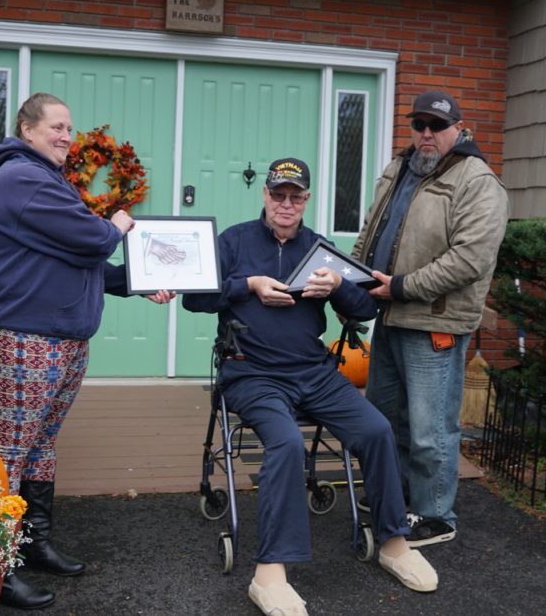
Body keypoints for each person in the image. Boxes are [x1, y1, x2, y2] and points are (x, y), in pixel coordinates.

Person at [184, 158, 438, 616]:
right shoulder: (234, 241)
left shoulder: (320, 249)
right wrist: (249, 285)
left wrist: (338, 284)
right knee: (286, 443)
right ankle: (269, 574)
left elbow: (365, 310)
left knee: (377, 430)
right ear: (265, 195)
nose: (286, 203)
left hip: (315, 373)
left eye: (295, 196)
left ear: (306, 200)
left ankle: (394, 544)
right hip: (252, 373)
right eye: (278, 194)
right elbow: (194, 297)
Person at [0, 92, 173, 610]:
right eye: (56, 126)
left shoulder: (48, 180)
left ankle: (33, 544)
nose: (66, 136)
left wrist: (138, 283)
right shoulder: (21, 178)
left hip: (61, 338)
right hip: (23, 337)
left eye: (69, 128)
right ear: (27, 129)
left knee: (41, 445)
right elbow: (92, 239)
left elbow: (79, 260)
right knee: (11, 451)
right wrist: (118, 225)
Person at [351, 90, 508, 546]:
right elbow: (371, 230)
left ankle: (436, 515)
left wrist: (401, 286)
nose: (426, 133)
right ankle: (398, 499)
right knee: (386, 418)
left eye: (436, 126)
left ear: (458, 128)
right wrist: (354, 279)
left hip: (434, 321)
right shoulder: (400, 168)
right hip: (390, 315)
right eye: (418, 124)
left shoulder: (477, 180)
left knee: (429, 428)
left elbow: (469, 260)